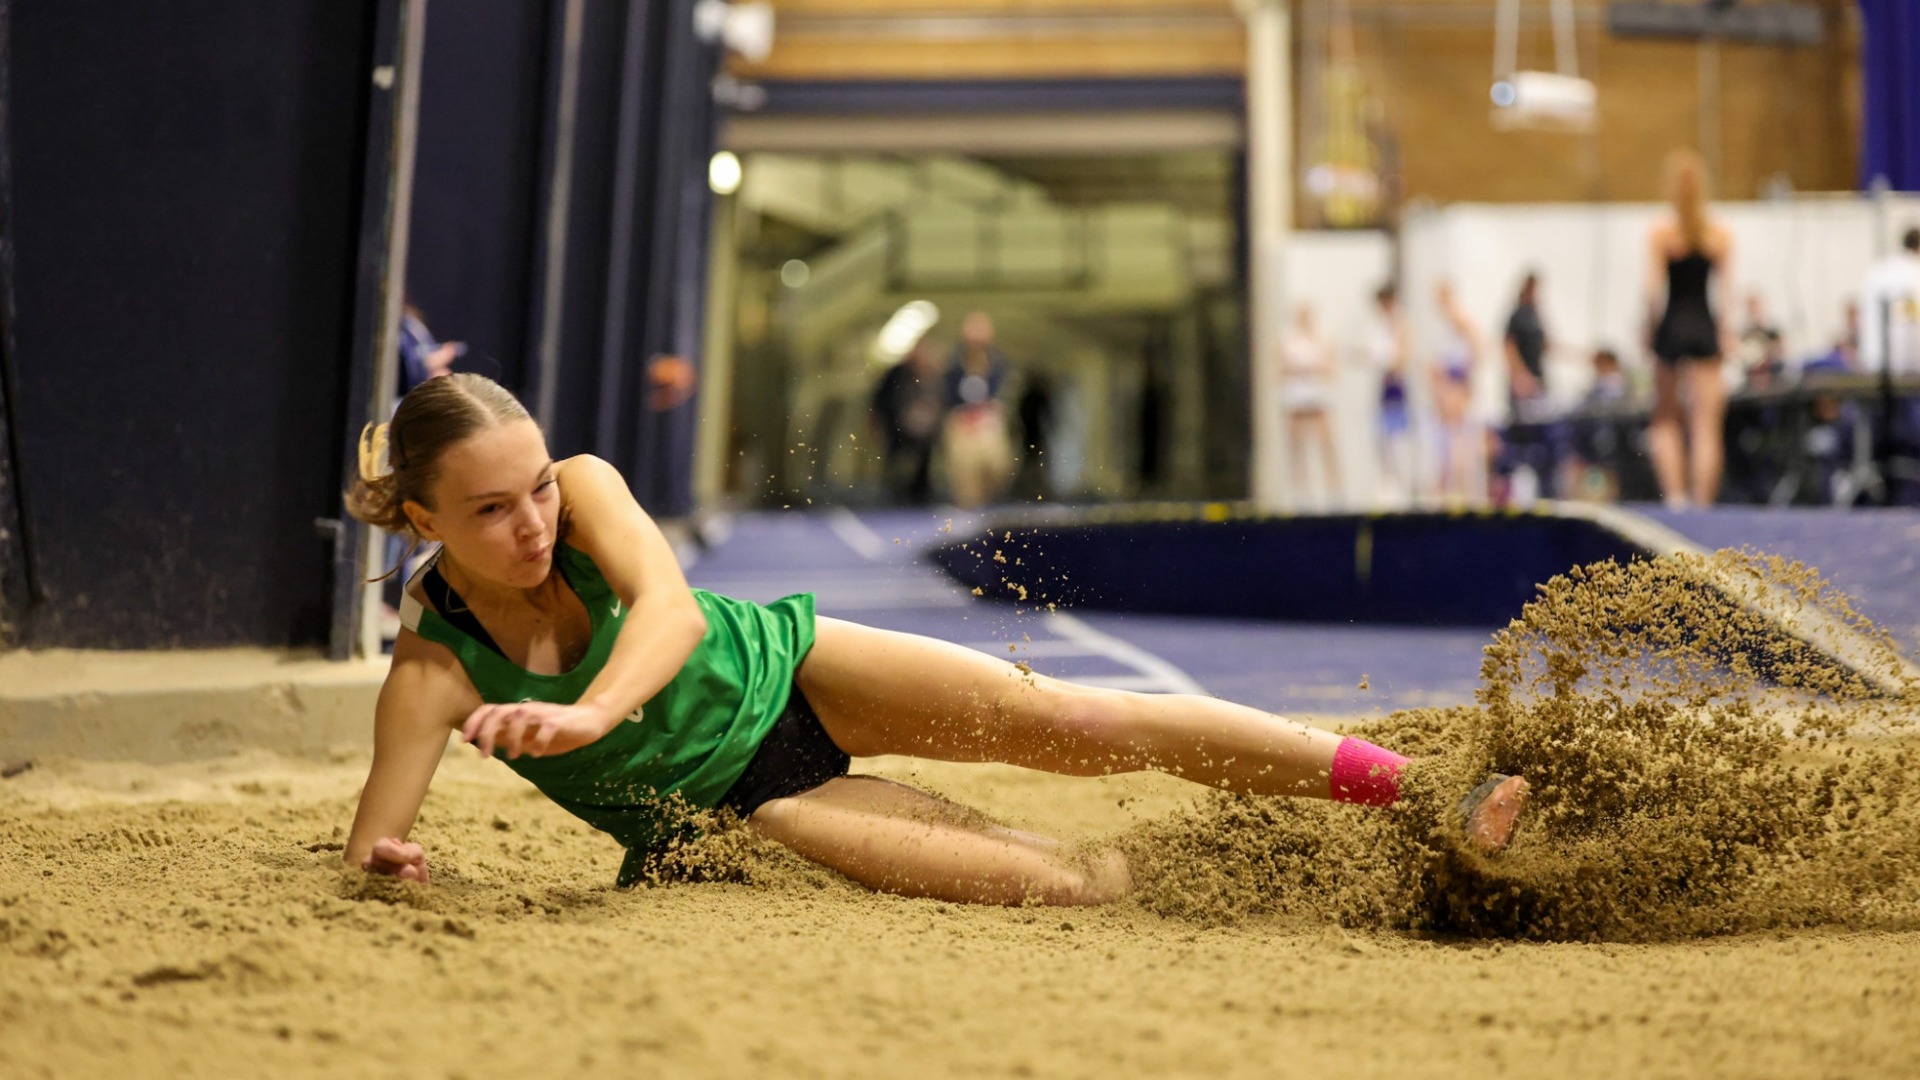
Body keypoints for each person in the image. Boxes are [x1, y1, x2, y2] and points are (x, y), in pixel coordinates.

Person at [341, 374, 1532, 905]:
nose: (534, 522)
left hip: (793, 666)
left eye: (537, 487)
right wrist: (389, 865)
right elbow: (374, 840)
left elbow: (675, 608)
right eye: (492, 512)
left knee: (1079, 719)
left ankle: (1420, 794)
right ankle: (1294, 877)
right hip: (747, 808)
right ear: (426, 520)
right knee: (1065, 882)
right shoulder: (436, 668)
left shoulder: (589, 492)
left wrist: (591, 714)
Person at [1645, 148, 1734, 509]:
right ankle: (1702, 500)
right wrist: (1726, 334)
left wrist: (1649, 330)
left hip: (1672, 323)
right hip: (1703, 324)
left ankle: (1677, 497)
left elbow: (1652, 293)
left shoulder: (1661, 234)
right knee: (1706, 423)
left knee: (1665, 416)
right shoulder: (1719, 235)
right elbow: (1726, 296)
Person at [942, 312, 1015, 509]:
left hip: (987, 421)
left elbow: (1004, 390)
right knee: (964, 471)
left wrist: (994, 410)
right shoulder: (954, 361)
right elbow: (946, 390)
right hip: (962, 420)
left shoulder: (998, 362)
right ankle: (969, 508)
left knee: (998, 466)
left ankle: (992, 500)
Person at [868, 339, 946, 505]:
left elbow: (941, 400)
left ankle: (920, 495)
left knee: (923, 462)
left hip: (925, 431)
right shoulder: (895, 374)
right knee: (896, 463)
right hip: (897, 429)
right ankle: (894, 494)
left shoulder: (932, 375)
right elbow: (881, 401)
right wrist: (878, 424)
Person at [1279, 302, 1342, 508]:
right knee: (1297, 446)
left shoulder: (1321, 338)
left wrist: (1310, 368)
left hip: (1317, 397)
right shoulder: (1288, 339)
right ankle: (1300, 493)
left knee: (1326, 444)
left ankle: (1334, 492)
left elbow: (1330, 367)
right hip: (1296, 398)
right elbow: (1280, 369)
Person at [1431, 281, 1484, 504]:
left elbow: (1478, 346)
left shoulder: (1458, 318)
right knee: (1449, 437)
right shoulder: (1446, 322)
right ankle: (1451, 486)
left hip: (1456, 381)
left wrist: (1462, 379)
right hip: (1450, 382)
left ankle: (1460, 488)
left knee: (1457, 437)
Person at [1363, 284, 1413, 505]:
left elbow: (1401, 359)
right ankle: (1388, 483)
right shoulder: (1381, 327)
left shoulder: (1401, 325)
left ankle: (1401, 486)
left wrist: (1384, 360)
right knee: (1382, 440)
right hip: (1384, 389)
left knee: (1398, 441)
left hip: (1397, 390)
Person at [1860, 226, 1920, 376]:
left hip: (1872, 361)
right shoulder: (1913, 275)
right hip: (1901, 367)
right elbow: (1911, 322)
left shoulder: (1879, 269)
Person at [1503, 271, 1549, 419]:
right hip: (1523, 379)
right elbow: (1509, 346)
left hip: (1537, 376)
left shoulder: (1536, 315)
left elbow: (1545, 344)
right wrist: (1520, 374)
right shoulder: (1518, 315)